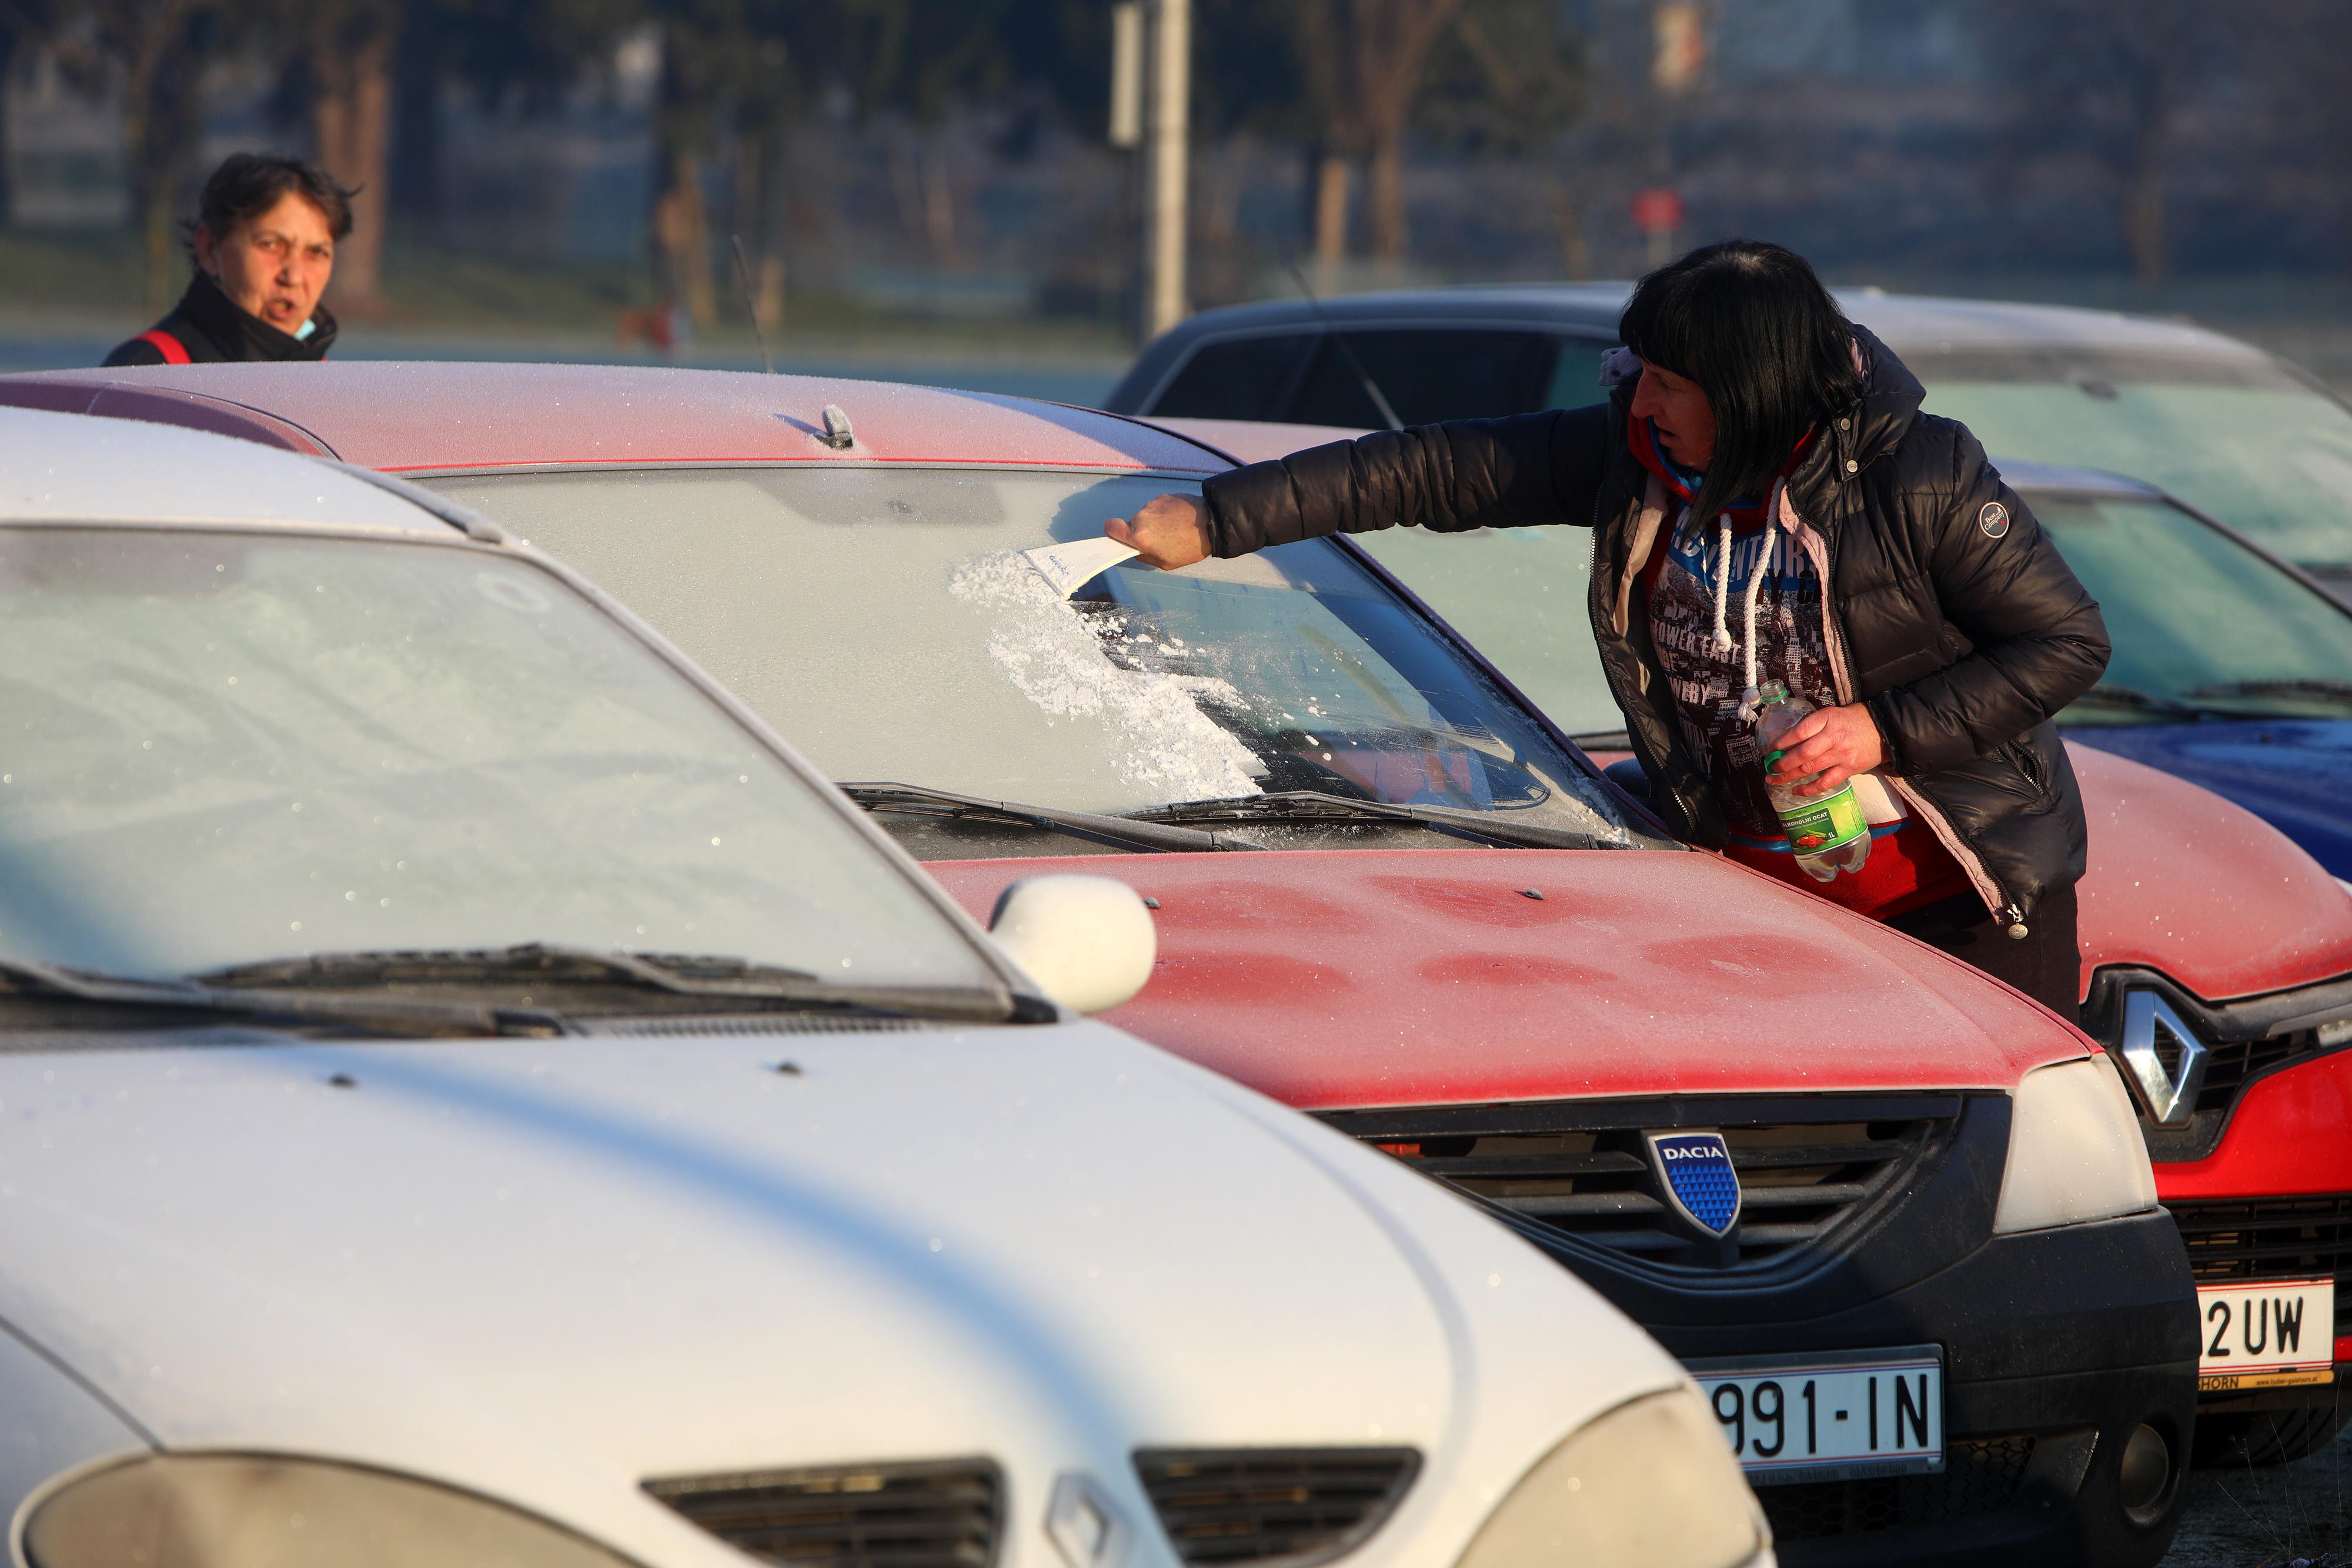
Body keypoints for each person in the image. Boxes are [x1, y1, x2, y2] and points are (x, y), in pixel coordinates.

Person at [1106, 240, 2109, 1020]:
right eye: (1645, 370)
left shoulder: (1920, 474)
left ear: (1753, 392)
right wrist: (1218, 520)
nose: (1643, 397)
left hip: (1957, 904)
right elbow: (1429, 470)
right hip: (1762, 903)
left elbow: (2066, 643)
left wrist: (1879, 730)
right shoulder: (1631, 456)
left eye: (1674, 383)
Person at [102, 153, 353, 367]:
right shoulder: (144, 374)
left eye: (317, 253)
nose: (294, 277)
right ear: (210, 249)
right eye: (271, 244)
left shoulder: (334, 389)